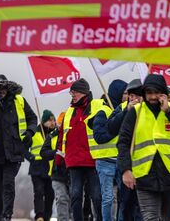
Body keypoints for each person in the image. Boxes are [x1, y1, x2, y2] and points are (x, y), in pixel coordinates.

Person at [117, 74, 170, 221]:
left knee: (169, 217)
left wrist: (169, 112)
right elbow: (123, 142)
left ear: (163, 93)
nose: (153, 97)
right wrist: (126, 169)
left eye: (156, 92)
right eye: (149, 93)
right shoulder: (135, 112)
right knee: (150, 217)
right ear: (144, 93)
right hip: (144, 175)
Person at [0, 75, 37, 220]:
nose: (1, 90)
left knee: (7, 184)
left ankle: (7, 215)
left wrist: (30, 132)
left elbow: (32, 118)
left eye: (3, 87)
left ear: (8, 87)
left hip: (12, 153)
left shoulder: (19, 101)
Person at [61, 78, 109, 221]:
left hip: (93, 159)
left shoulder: (98, 106)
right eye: (71, 92)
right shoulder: (69, 111)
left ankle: (99, 219)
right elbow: (62, 136)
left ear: (84, 92)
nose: (72, 95)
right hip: (74, 161)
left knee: (96, 196)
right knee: (75, 195)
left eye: (74, 92)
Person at [98, 79, 144, 221]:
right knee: (126, 204)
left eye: (137, 95)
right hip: (127, 165)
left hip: (146, 164)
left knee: (144, 206)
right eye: (130, 95)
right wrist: (126, 111)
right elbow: (111, 127)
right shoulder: (122, 107)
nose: (133, 98)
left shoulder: (151, 109)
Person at [90, 79, 127, 221]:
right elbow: (99, 136)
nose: (127, 96)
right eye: (124, 93)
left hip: (121, 160)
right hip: (106, 162)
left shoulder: (125, 111)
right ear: (116, 93)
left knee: (124, 198)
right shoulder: (102, 112)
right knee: (108, 198)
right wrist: (115, 127)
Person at [28, 110, 57, 221]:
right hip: (37, 166)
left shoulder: (55, 133)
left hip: (50, 166)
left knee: (50, 194)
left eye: (53, 120)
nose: (52, 122)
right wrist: (30, 157)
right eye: (50, 120)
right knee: (39, 191)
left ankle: (47, 216)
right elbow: (23, 147)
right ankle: (39, 216)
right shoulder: (34, 131)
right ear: (44, 121)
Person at [41, 112, 71, 221]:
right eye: (58, 123)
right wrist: (55, 152)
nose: (58, 125)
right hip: (57, 173)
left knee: (75, 199)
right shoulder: (52, 136)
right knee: (61, 198)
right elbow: (43, 153)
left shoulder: (73, 134)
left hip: (73, 172)